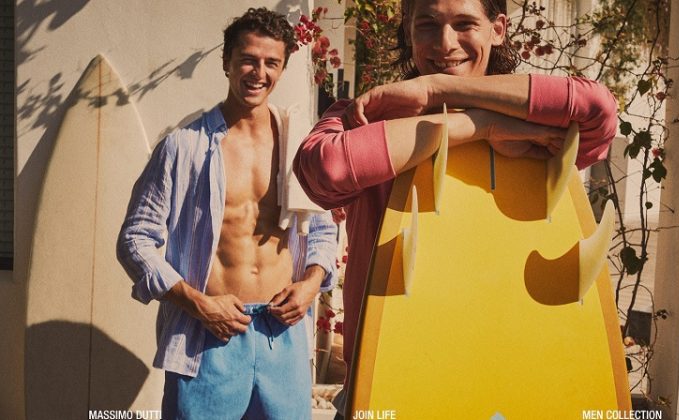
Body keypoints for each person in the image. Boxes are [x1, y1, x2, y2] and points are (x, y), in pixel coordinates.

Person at [293, 0, 618, 415]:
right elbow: (326, 168)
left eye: (465, 24)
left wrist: (439, 89)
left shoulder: (539, 124)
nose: (445, 43)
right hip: (388, 387)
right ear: (408, 30)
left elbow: (598, 109)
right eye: (428, 25)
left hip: (517, 389)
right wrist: (479, 126)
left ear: (498, 29)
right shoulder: (365, 116)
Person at [116, 7, 337, 420]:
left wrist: (311, 283)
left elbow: (322, 229)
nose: (259, 73)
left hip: (281, 331)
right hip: (210, 331)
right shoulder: (183, 147)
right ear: (227, 62)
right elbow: (135, 240)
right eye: (248, 60)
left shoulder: (299, 145)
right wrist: (197, 304)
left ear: (282, 67)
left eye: (271, 63)